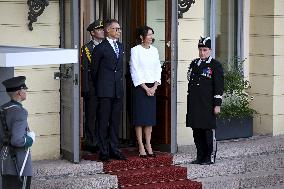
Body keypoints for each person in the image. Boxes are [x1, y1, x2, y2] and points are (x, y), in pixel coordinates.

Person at [91, 19, 126, 162]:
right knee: (103, 120)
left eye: (119, 29)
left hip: (118, 90)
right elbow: (94, 71)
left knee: (115, 121)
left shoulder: (121, 46)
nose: (118, 31)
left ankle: (114, 149)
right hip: (104, 90)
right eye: (115, 29)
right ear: (107, 30)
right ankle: (103, 150)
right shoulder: (100, 48)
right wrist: (101, 86)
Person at [186, 37, 224, 165]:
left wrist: (217, 105)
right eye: (200, 50)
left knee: (207, 132)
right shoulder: (194, 63)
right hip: (195, 104)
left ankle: (210, 157)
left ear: (210, 50)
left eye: (205, 50)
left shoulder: (215, 65)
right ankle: (200, 156)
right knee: (197, 131)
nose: (202, 52)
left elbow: (219, 86)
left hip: (208, 105)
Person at [129, 26, 162, 158]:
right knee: (139, 119)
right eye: (149, 35)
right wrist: (145, 87)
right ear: (142, 37)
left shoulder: (154, 50)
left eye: (152, 34)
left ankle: (149, 144)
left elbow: (157, 69)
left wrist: (154, 86)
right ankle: (141, 145)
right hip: (140, 87)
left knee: (149, 119)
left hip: (152, 88)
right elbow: (134, 69)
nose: (151, 37)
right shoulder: (135, 50)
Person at [0, 76, 35, 189]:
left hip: (4, 160)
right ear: (20, 92)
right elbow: (17, 140)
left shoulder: (3, 109)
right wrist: (30, 139)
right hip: (19, 162)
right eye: (25, 89)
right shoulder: (20, 112)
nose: (26, 91)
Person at [80, 19, 104, 152]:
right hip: (92, 87)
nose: (102, 31)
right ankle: (91, 142)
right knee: (91, 115)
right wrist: (86, 89)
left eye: (102, 29)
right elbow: (84, 71)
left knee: (103, 115)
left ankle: (102, 141)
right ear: (93, 33)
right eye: (99, 29)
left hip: (105, 87)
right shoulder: (86, 48)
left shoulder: (107, 45)